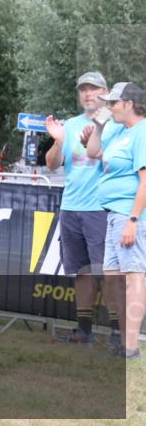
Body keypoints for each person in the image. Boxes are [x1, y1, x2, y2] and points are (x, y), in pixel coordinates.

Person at [44, 71, 121, 347]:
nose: (87, 94)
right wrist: (58, 141)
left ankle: (117, 334)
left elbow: (120, 164)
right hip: (71, 208)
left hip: (101, 209)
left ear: (105, 92)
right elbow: (51, 164)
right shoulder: (70, 125)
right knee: (82, 273)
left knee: (108, 274)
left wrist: (95, 145)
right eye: (83, 89)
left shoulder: (116, 124)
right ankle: (84, 330)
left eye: (93, 89)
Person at [87, 82, 146, 360]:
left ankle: (131, 347)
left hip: (129, 214)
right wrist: (98, 127)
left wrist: (133, 219)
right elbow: (92, 152)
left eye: (113, 103)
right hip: (113, 214)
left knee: (133, 277)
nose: (108, 107)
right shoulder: (119, 130)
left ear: (129, 104)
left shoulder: (142, 132)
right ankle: (124, 342)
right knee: (112, 280)